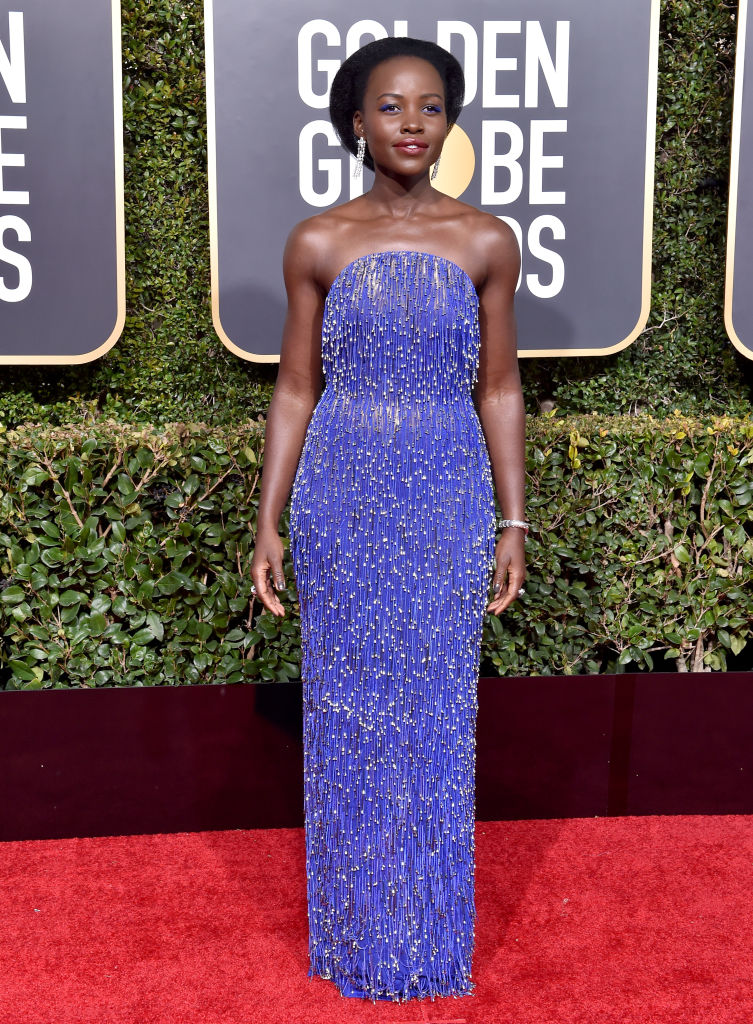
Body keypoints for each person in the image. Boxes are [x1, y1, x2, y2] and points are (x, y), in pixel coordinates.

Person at [250, 35, 527, 1003]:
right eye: (390, 107)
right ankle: (359, 934)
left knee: (435, 718)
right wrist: (269, 520)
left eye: (431, 106)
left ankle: (427, 935)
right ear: (356, 121)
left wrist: (513, 520)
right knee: (349, 718)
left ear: (451, 121)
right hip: (343, 490)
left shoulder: (487, 239)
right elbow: (293, 389)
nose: (412, 123)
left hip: (446, 489)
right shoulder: (318, 240)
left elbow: (499, 389)